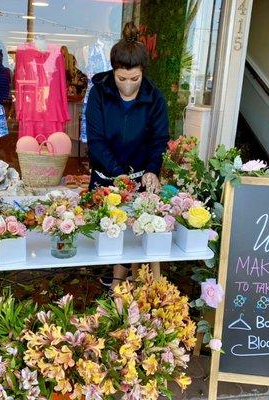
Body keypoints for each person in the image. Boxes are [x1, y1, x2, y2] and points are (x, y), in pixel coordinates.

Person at [86, 22, 170, 289]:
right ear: (114, 71)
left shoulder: (155, 98)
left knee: (135, 231)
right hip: (106, 173)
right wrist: (117, 172)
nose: (128, 86)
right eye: (122, 79)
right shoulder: (99, 92)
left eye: (135, 79)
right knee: (109, 232)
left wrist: (152, 169)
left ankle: (121, 285)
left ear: (143, 72)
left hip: (139, 174)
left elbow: (159, 140)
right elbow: (96, 141)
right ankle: (116, 282)